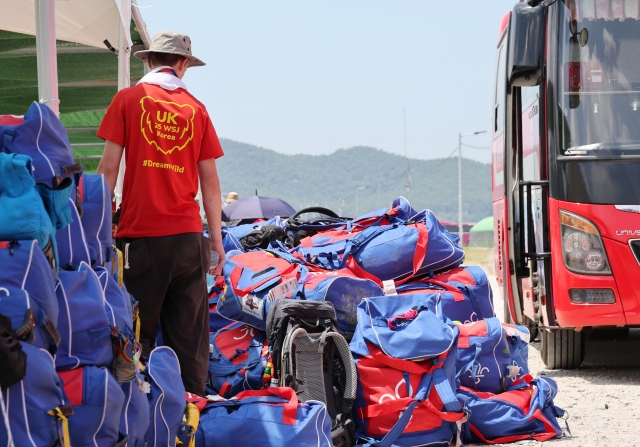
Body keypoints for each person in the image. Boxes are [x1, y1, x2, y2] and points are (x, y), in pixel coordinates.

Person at [96, 31, 225, 396]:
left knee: (136, 338)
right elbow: (211, 185)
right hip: (187, 241)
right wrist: (215, 241)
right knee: (190, 344)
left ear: (148, 60)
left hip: (141, 240)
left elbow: (107, 170)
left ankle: (140, 421)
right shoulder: (197, 110)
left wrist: (97, 228)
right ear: (183, 65)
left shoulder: (128, 99)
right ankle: (193, 420)